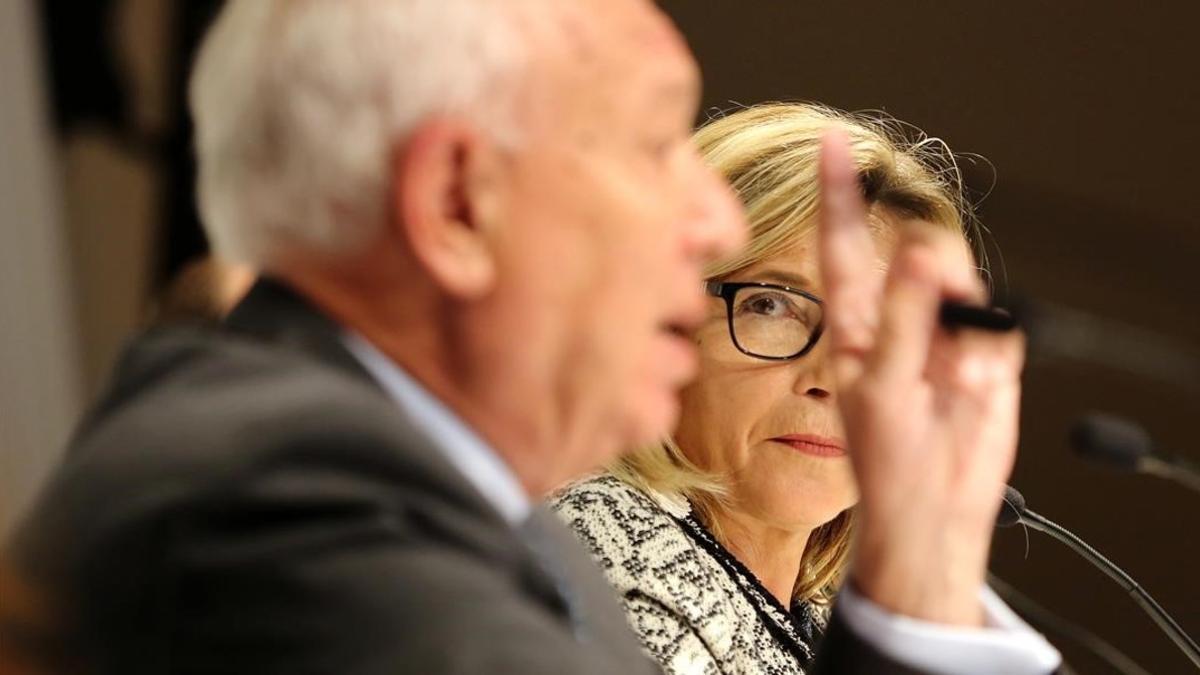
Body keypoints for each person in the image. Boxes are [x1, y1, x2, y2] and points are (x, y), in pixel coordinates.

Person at [7, 1, 1061, 673]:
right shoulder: (280, 505)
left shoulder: (420, 507)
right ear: (458, 204)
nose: (707, 222)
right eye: (653, 147)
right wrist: (919, 583)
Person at [551, 102, 1060, 673]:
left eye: (876, 330)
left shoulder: (817, 616)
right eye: (772, 305)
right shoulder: (607, 558)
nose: (832, 379)